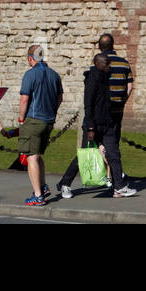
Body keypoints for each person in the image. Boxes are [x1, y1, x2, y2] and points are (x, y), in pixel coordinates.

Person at [58, 53, 122, 199]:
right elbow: (89, 105)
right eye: (107, 64)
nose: (109, 67)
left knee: (112, 152)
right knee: (83, 156)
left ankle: (119, 185)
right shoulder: (92, 80)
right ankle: (65, 184)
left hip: (105, 124)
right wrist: (91, 128)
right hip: (93, 125)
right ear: (99, 64)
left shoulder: (105, 78)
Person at [16, 45, 63, 206]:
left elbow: (24, 99)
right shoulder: (54, 75)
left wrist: (21, 118)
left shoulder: (30, 74)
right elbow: (59, 98)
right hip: (49, 120)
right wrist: (52, 112)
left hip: (34, 119)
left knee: (31, 157)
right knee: (38, 155)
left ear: (30, 58)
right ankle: (42, 186)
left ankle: (38, 195)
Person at [96, 33, 137, 197]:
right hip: (117, 110)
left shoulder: (99, 62)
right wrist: (122, 102)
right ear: (113, 45)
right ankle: (116, 182)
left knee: (99, 145)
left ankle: (113, 181)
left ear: (100, 46)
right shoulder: (124, 63)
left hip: (102, 110)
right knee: (113, 145)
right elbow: (130, 86)